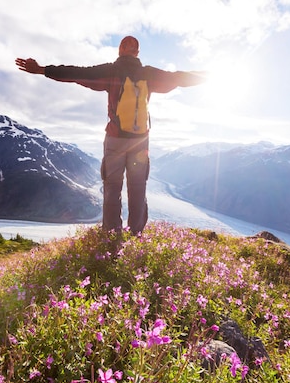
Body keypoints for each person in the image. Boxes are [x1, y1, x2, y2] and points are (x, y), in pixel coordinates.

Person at [16, 36, 204, 235]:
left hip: (115, 139)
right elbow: (179, 77)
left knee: (112, 188)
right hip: (140, 141)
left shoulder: (110, 71)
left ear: (120, 49)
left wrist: (42, 69)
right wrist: (209, 76)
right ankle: (137, 234)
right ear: (137, 52)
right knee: (138, 189)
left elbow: (76, 73)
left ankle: (111, 235)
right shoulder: (148, 74)